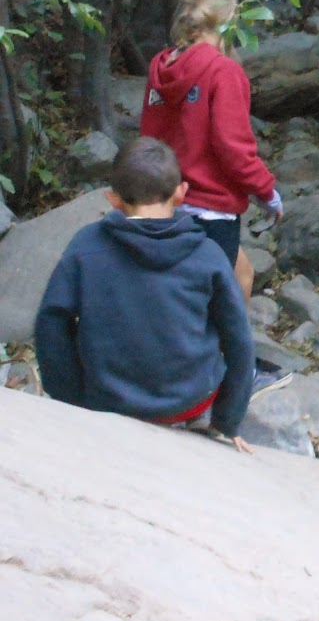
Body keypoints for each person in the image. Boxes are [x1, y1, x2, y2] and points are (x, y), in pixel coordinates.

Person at [35, 138, 256, 453]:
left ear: (112, 199)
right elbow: (239, 340)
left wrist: (70, 399)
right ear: (181, 192)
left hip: (107, 400)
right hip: (188, 405)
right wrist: (227, 420)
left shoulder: (86, 246)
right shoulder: (208, 254)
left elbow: (51, 322)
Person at [140, 0, 282, 299]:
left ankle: (229, 348)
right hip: (208, 211)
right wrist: (266, 191)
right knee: (211, 302)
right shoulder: (223, 71)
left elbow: (149, 137)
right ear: (228, 21)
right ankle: (219, 350)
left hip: (164, 203)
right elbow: (233, 146)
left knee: (241, 273)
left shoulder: (161, 67)